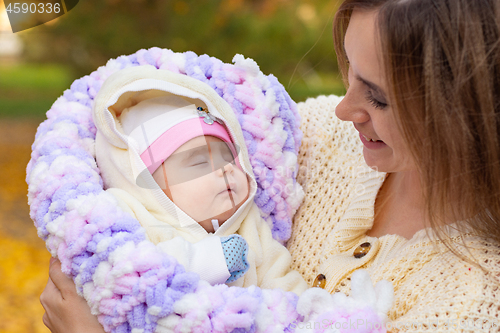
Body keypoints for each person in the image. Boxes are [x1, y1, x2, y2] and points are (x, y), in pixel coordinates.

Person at [41, 0, 500, 331]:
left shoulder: (472, 302)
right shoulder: (313, 138)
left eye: (378, 97)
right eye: (350, 75)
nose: (345, 109)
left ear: (467, 113)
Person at [90, 65, 308, 290]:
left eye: (229, 157)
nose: (225, 170)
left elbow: (283, 283)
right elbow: (131, 272)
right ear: (151, 186)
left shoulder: (251, 226)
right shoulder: (135, 216)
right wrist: (210, 261)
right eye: (200, 163)